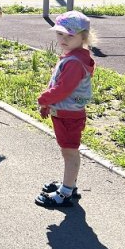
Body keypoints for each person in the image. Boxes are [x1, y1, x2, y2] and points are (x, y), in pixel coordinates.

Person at [35, 11, 95, 208]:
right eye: (60, 34)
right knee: (69, 151)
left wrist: (44, 99)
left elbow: (63, 89)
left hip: (69, 116)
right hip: (65, 113)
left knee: (69, 152)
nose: (63, 39)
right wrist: (50, 106)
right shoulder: (74, 57)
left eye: (70, 35)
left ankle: (66, 192)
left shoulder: (75, 62)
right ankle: (70, 185)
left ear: (83, 37)